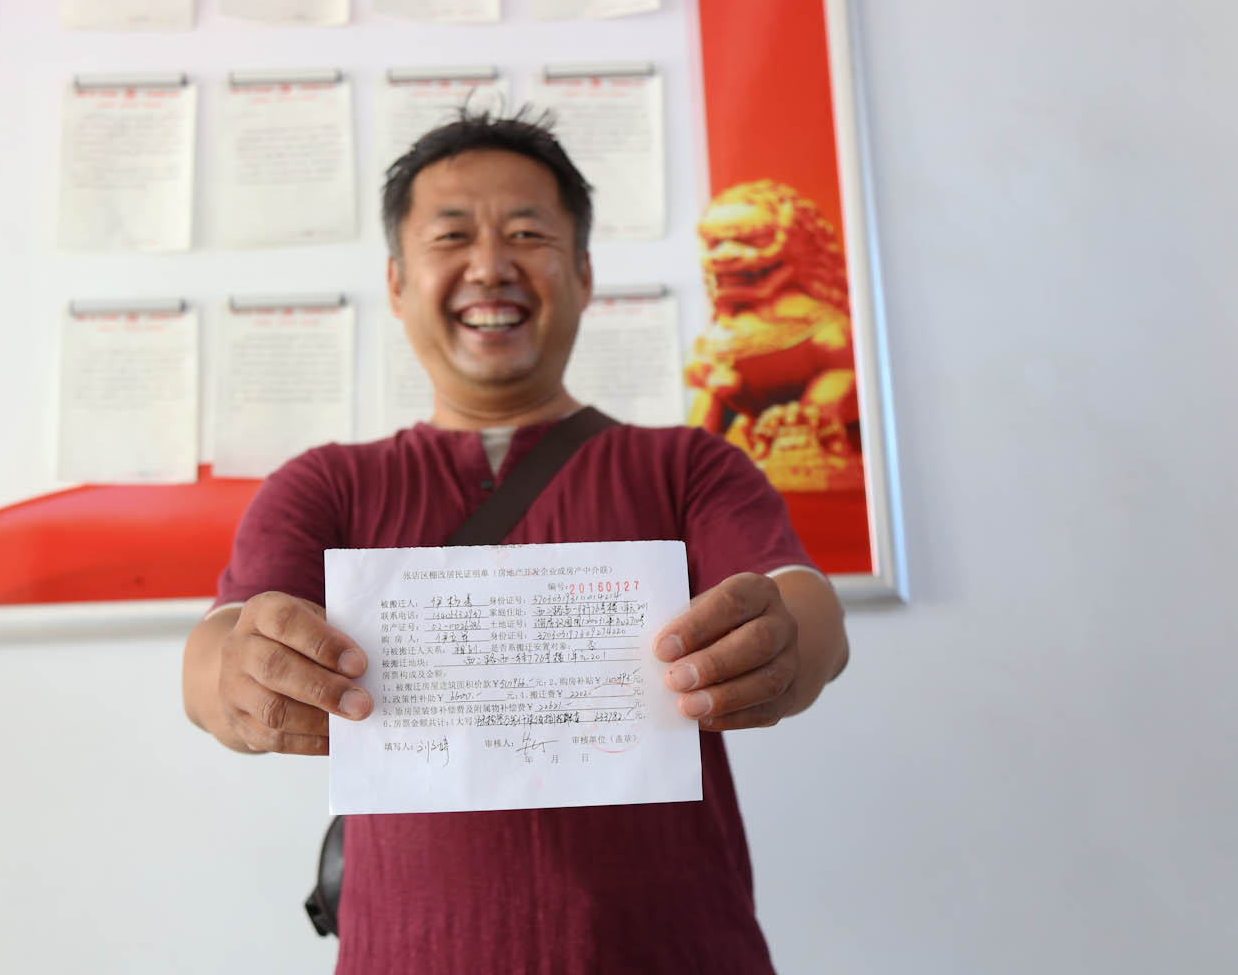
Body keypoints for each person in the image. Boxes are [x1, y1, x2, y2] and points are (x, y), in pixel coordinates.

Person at [181, 111, 850, 975]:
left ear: (584, 274)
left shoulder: (689, 466)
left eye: (529, 234)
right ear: (396, 282)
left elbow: (803, 604)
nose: (491, 265)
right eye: (451, 235)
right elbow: (216, 650)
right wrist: (234, 676)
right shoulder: (326, 485)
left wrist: (791, 641)